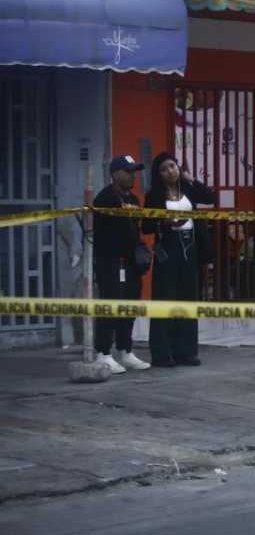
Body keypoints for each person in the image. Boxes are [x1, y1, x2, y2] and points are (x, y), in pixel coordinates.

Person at [143, 152, 215, 367]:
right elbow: (146, 226)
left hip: (190, 248)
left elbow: (210, 198)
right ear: (159, 174)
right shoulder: (154, 196)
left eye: (172, 166)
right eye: (164, 169)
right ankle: (163, 354)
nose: (170, 171)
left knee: (187, 299)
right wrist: (165, 223)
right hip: (168, 248)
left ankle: (187, 352)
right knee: (166, 298)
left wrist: (192, 179)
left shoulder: (189, 189)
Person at [91, 155, 151, 373]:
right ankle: (103, 353)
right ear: (115, 173)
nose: (132, 175)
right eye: (128, 171)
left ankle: (125, 350)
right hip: (110, 261)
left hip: (131, 263)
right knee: (110, 306)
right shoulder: (104, 198)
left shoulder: (134, 200)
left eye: (134, 171)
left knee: (130, 306)